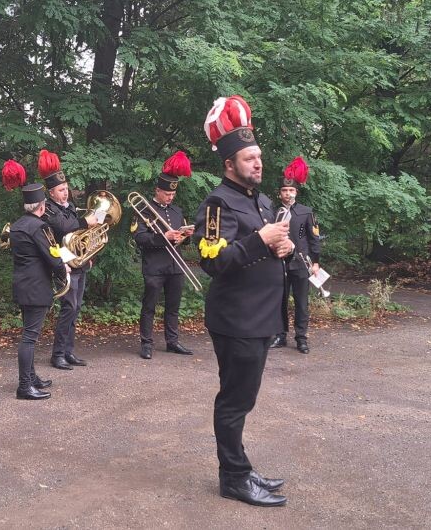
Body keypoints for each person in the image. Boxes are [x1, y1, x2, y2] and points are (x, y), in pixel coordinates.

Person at [194, 95, 294, 507]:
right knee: (235, 401)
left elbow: (268, 244)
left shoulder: (263, 201)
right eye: (249, 158)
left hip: (260, 317)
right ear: (230, 163)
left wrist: (280, 247)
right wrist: (260, 240)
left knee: (243, 398)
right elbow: (211, 259)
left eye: (259, 157)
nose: (258, 164)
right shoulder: (218, 202)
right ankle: (233, 477)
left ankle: (241, 468)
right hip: (236, 320)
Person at [1, 159, 69, 400]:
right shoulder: (39, 227)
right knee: (30, 337)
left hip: (23, 285)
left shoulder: (18, 226)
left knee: (29, 333)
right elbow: (51, 256)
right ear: (42, 206)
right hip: (36, 288)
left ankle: (32, 378)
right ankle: (24, 386)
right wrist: (64, 269)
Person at [38, 150, 100, 370]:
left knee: (76, 307)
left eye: (66, 189)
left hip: (78, 263)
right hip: (63, 265)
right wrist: (86, 221)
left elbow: (78, 238)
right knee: (68, 307)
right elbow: (64, 229)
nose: (66, 193)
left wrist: (87, 255)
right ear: (51, 193)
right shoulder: (49, 210)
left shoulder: (70, 207)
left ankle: (69, 351)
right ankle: (58, 355)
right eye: (61, 190)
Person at [133, 151, 196, 359]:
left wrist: (186, 234)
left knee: (173, 306)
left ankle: (172, 341)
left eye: (173, 195)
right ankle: (146, 343)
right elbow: (140, 238)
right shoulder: (144, 210)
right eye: (167, 194)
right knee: (149, 306)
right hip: (154, 267)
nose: (170, 198)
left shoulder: (177, 211)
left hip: (175, 267)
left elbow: (179, 239)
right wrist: (163, 237)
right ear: (158, 190)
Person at [270, 156, 322, 354]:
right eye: (284, 190)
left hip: (301, 264)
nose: (288, 193)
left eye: (291, 190)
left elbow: (313, 238)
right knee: (279, 301)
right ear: (279, 194)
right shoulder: (273, 213)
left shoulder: (306, 212)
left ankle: (301, 338)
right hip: (279, 263)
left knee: (301, 302)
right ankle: (280, 335)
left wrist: (315, 263)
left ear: (296, 192)